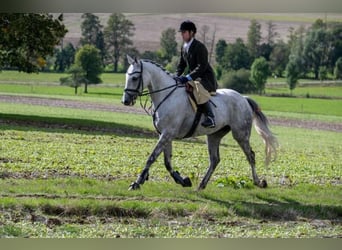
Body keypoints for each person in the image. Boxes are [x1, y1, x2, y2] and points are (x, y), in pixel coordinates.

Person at [176, 20, 217, 128]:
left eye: (184, 32)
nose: (182, 35)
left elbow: (201, 67)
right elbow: (181, 64)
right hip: (194, 78)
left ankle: (210, 117)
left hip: (205, 79)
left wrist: (188, 77)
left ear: (192, 32)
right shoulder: (184, 47)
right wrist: (176, 76)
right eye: (182, 32)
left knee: (196, 86)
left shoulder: (200, 47)